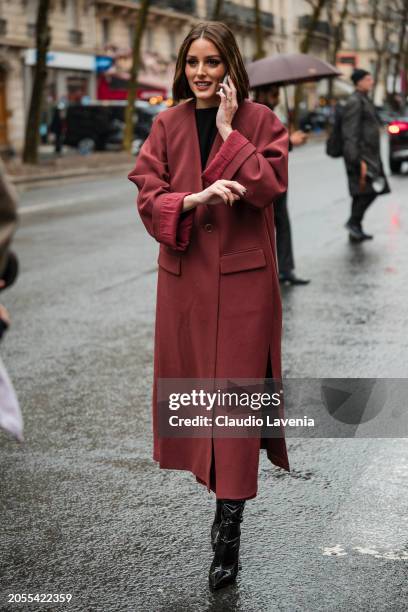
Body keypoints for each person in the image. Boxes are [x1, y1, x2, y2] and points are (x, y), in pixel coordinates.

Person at [128, 22, 290, 590]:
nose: (201, 71)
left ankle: (228, 534)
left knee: (236, 409)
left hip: (245, 285)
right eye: (193, 61)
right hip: (186, 282)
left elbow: (269, 187)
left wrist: (227, 133)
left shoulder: (261, 121)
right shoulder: (165, 123)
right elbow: (149, 198)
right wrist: (189, 199)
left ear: (230, 67)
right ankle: (220, 503)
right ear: (183, 66)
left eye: (212, 61)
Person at [253, 84, 310, 285]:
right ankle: (274, 271)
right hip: (263, 179)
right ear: (261, 93)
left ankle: (285, 270)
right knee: (268, 225)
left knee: (281, 223)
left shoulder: (267, 113)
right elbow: (260, 147)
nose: (277, 98)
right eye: (274, 94)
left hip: (275, 177)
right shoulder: (256, 114)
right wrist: (290, 141)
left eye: (278, 94)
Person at [342, 68, 390, 242]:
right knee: (370, 190)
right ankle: (353, 223)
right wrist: (356, 160)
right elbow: (350, 133)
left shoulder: (363, 99)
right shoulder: (355, 101)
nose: (372, 82)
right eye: (368, 79)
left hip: (369, 155)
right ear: (359, 82)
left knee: (362, 193)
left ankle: (356, 228)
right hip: (361, 158)